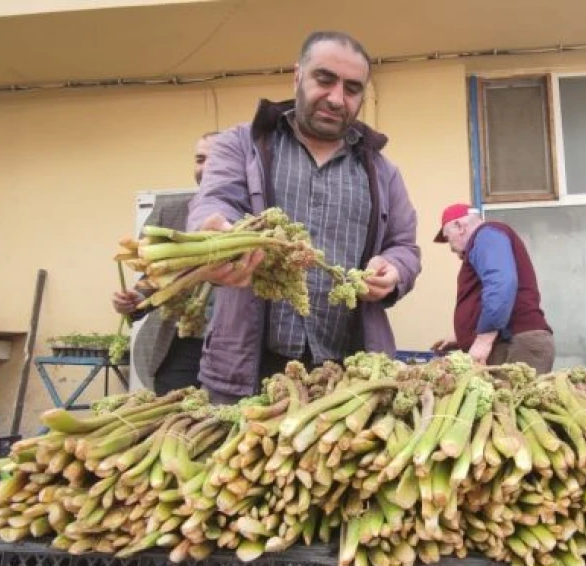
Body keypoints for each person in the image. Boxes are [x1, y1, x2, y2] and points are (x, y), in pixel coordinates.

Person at [186, 31, 422, 404]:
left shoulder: (382, 171)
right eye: (324, 80)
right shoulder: (241, 144)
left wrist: (394, 269)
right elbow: (214, 202)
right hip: (246, 370)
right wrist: (217, 235)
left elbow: (404, 245)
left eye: (352, 88)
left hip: (348, 378)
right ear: (298, 76)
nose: (336, 98)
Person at [111, 131, 218, 395]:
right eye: (200, 159)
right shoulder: (168, 212)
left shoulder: (254, 218)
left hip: (237, 347)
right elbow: (149, 279)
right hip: (178, 344)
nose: (204, 167)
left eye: (215, 159)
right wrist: (135, 299)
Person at [431, 203, 555, 373]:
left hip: (515, 344)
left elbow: (500, 283)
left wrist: (483, 340)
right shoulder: (485, 242)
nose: (450, 247)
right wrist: (462, 336)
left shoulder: (486, 234)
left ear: (459, 226)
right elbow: (484, 294)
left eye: (447, 237)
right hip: (512, 343)